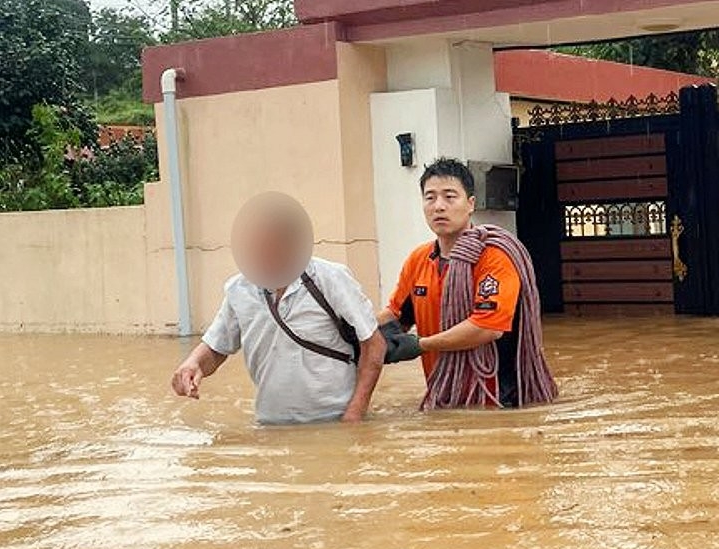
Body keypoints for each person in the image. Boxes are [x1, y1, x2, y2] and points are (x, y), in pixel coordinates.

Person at [170, 192, 386, 424]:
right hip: (271, 425)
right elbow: (216, 348)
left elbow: (374, 345)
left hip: (334, 421)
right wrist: (192, 364)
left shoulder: (330, 278)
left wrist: (354, 414)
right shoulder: (238, 289)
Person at [379, 157, 556, 410]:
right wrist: (354, 328)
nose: (439, 206)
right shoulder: (419, 259)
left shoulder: (495, 257)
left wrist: (421, 345)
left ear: (470, 204)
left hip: (497, 401)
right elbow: (397, 316)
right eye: (430, 197)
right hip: (445, 396)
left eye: (450, 197)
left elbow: (488, 327)